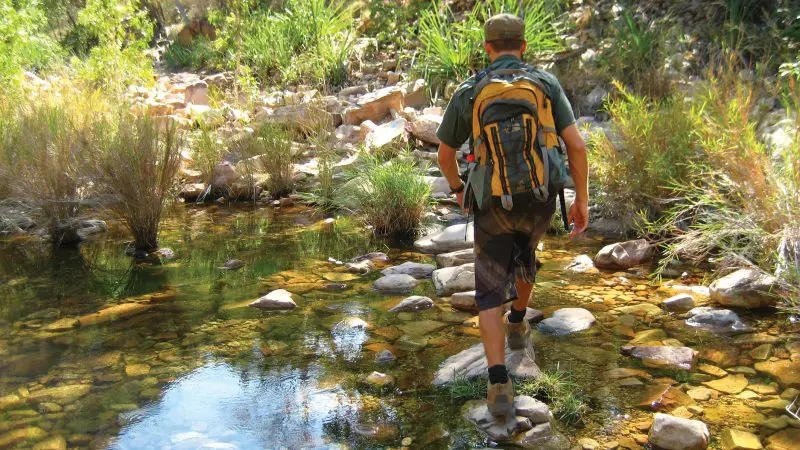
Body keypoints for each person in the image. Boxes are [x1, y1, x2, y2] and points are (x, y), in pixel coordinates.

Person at [436, 13, 589, 418]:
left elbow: (445, 155)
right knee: (527, 255)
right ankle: (518, 321)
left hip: (492, 202)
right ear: (523, 46)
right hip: (540, 198)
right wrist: (581, 199)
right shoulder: (545, 84)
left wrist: (459, 190)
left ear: (487, 48)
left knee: (488, 290)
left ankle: (499, 382)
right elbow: (577, 146)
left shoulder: (470, 91)